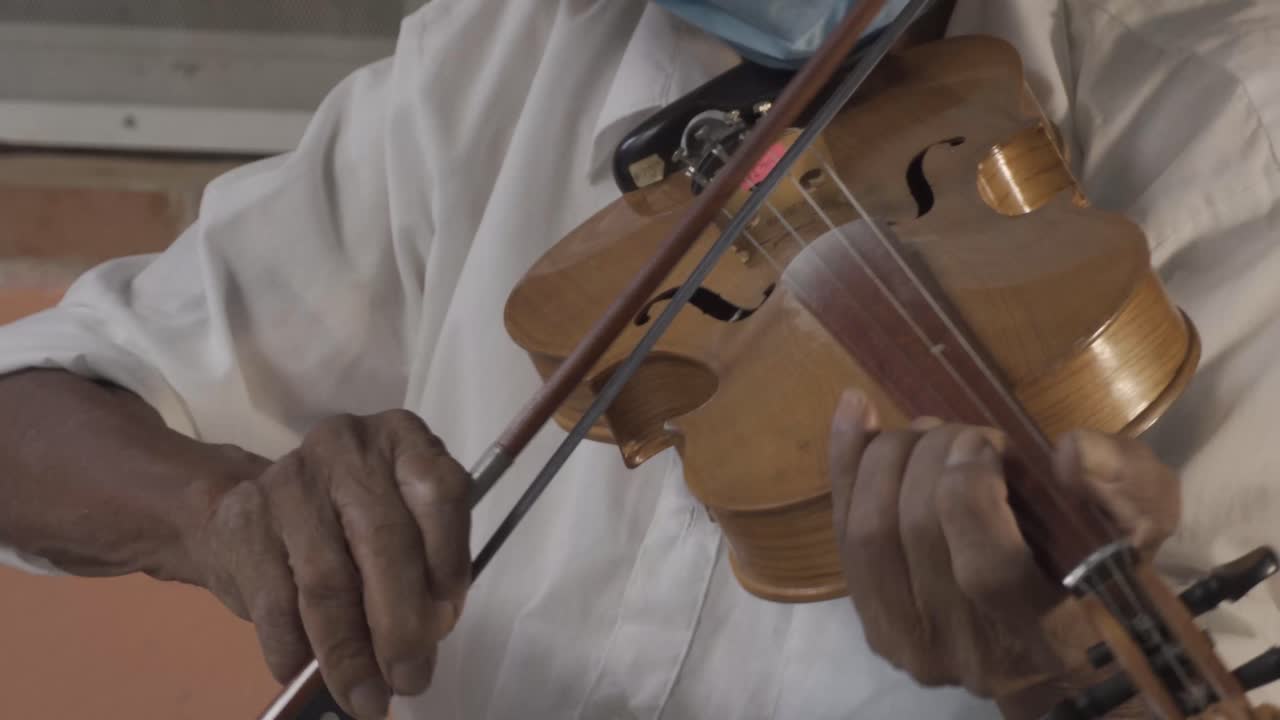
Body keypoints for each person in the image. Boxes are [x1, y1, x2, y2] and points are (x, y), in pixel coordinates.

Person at [1, 0, 1278, 718]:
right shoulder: (514, 44)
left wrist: (1045, 678)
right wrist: (216, 511)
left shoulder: (1238, 138)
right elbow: (36, 408)